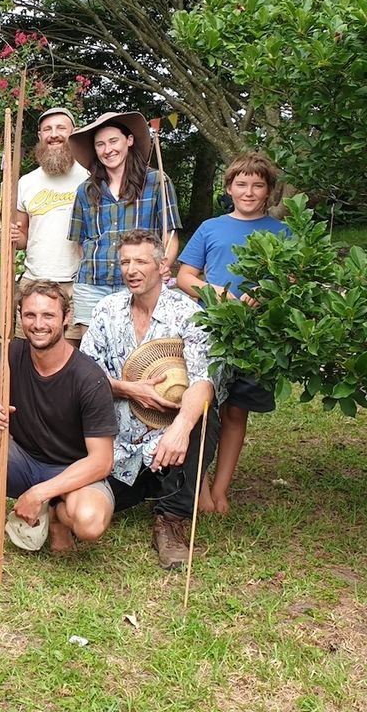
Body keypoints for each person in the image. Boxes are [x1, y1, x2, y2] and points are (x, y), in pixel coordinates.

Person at [0, 280, 118, 562]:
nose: (38, 324)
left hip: (72, 473)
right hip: (21, 461)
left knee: (90, 522)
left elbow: (101, 461)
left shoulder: (89, 377)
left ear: (66, 318)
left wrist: (40, 493)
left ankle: (57, 514)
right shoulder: (10, 355)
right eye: (30, 315)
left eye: (48, 315)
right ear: (20, 316)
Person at [80, 230, 219, 570]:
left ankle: (171, 521)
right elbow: (84, 377)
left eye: (141, 261)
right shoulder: (106, 309)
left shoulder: (188, 313)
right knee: (88, 504)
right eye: (125, 262)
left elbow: (204, 380)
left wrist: (181, 428)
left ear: (161, 265)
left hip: (169, 444)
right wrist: (130, 389)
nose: (131, 269)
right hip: (117, 440)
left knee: (204, 414)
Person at [176, 152, 290, 514]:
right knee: (206, 408)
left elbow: (293, 278)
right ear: (229, 187)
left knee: (237, 412)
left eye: (258, 185)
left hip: (257, 338)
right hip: (213, 332)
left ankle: (220, 488)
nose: (249, 191)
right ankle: (200, 485)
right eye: (242, 184)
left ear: (269, 191)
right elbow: (184, 277)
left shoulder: (281, 232)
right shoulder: (211, 228)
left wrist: (268, 292)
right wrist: (216, 292)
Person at [67, 112, 182, 332]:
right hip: (92, 284)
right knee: (93, 357)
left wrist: (162, 267)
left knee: (138, 355)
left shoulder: (157, 182)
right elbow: (81, 242)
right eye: (100, 144)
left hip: (138, 283)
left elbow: (170, 234)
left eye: (113, 141)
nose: (107, 149)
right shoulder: (86, 190)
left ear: (129, 140)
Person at [12, 107, 91, 345]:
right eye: (47, 129)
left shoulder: (90, 177)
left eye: (60, 128)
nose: (53, 134)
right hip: (33, 280)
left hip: (76, 283)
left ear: (73, 133)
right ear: (40, 136)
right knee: (30, 351)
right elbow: (23, 236)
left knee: (71, 354)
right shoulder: (27, 182)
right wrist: (14, 236)